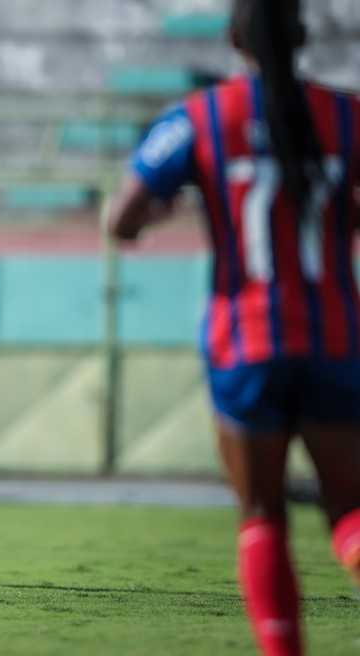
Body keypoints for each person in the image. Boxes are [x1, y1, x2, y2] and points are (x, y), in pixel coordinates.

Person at [107, 1, 360, 653]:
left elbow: (121, 218)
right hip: (335, 339)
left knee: (262, 515)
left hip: (245, 342)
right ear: (304, 36)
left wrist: (175, 209)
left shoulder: (200, 120)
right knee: (350, 513)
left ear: (232, 37)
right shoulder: (347, 117)